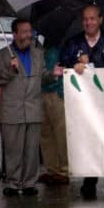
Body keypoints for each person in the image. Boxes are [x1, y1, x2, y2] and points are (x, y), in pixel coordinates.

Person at [60, 4, 104, 199]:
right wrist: (74, 64)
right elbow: (63, 65)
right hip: (83, 104)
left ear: (100, 20)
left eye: (93, 18)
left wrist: (92, 59)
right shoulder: (73, 43)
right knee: (88, 140)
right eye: (86, 19)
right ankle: (90, 179)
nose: (89, 22)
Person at [0, 18, 58, 197]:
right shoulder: (0, 55)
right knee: (13, 151)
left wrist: (53, 74)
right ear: (15, 34)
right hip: (12, 111)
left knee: (31, 151)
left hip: (33, 109)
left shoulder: (38, 53)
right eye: (24, 32)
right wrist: (10, 69)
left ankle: (29, 183)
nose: (28, 35)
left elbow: (42, 77)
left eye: (30, 31)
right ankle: (13, 183)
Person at [38, 43, 69, 186]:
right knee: (45, 134)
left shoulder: (65, 46)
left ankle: (64, 170)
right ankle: (52, 169)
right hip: (41, 92)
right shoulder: (41, 46)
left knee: (60, 133)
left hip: (58, 92)